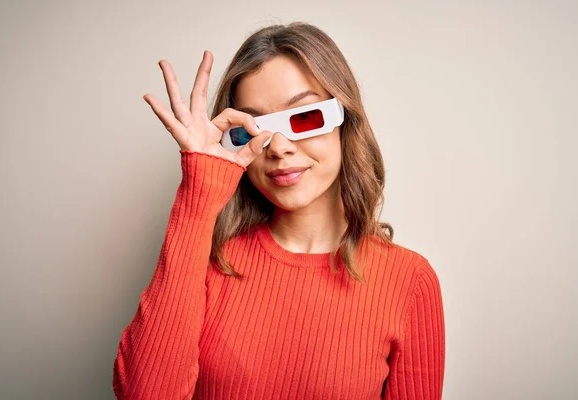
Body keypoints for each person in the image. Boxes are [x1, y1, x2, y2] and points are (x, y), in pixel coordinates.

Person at [112, 22, 445, 400]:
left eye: (304, 117)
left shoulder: (409, 281)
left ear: (345, 121)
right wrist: (198, 194)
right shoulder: (205, 265)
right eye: (254, 129)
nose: (279, 147)